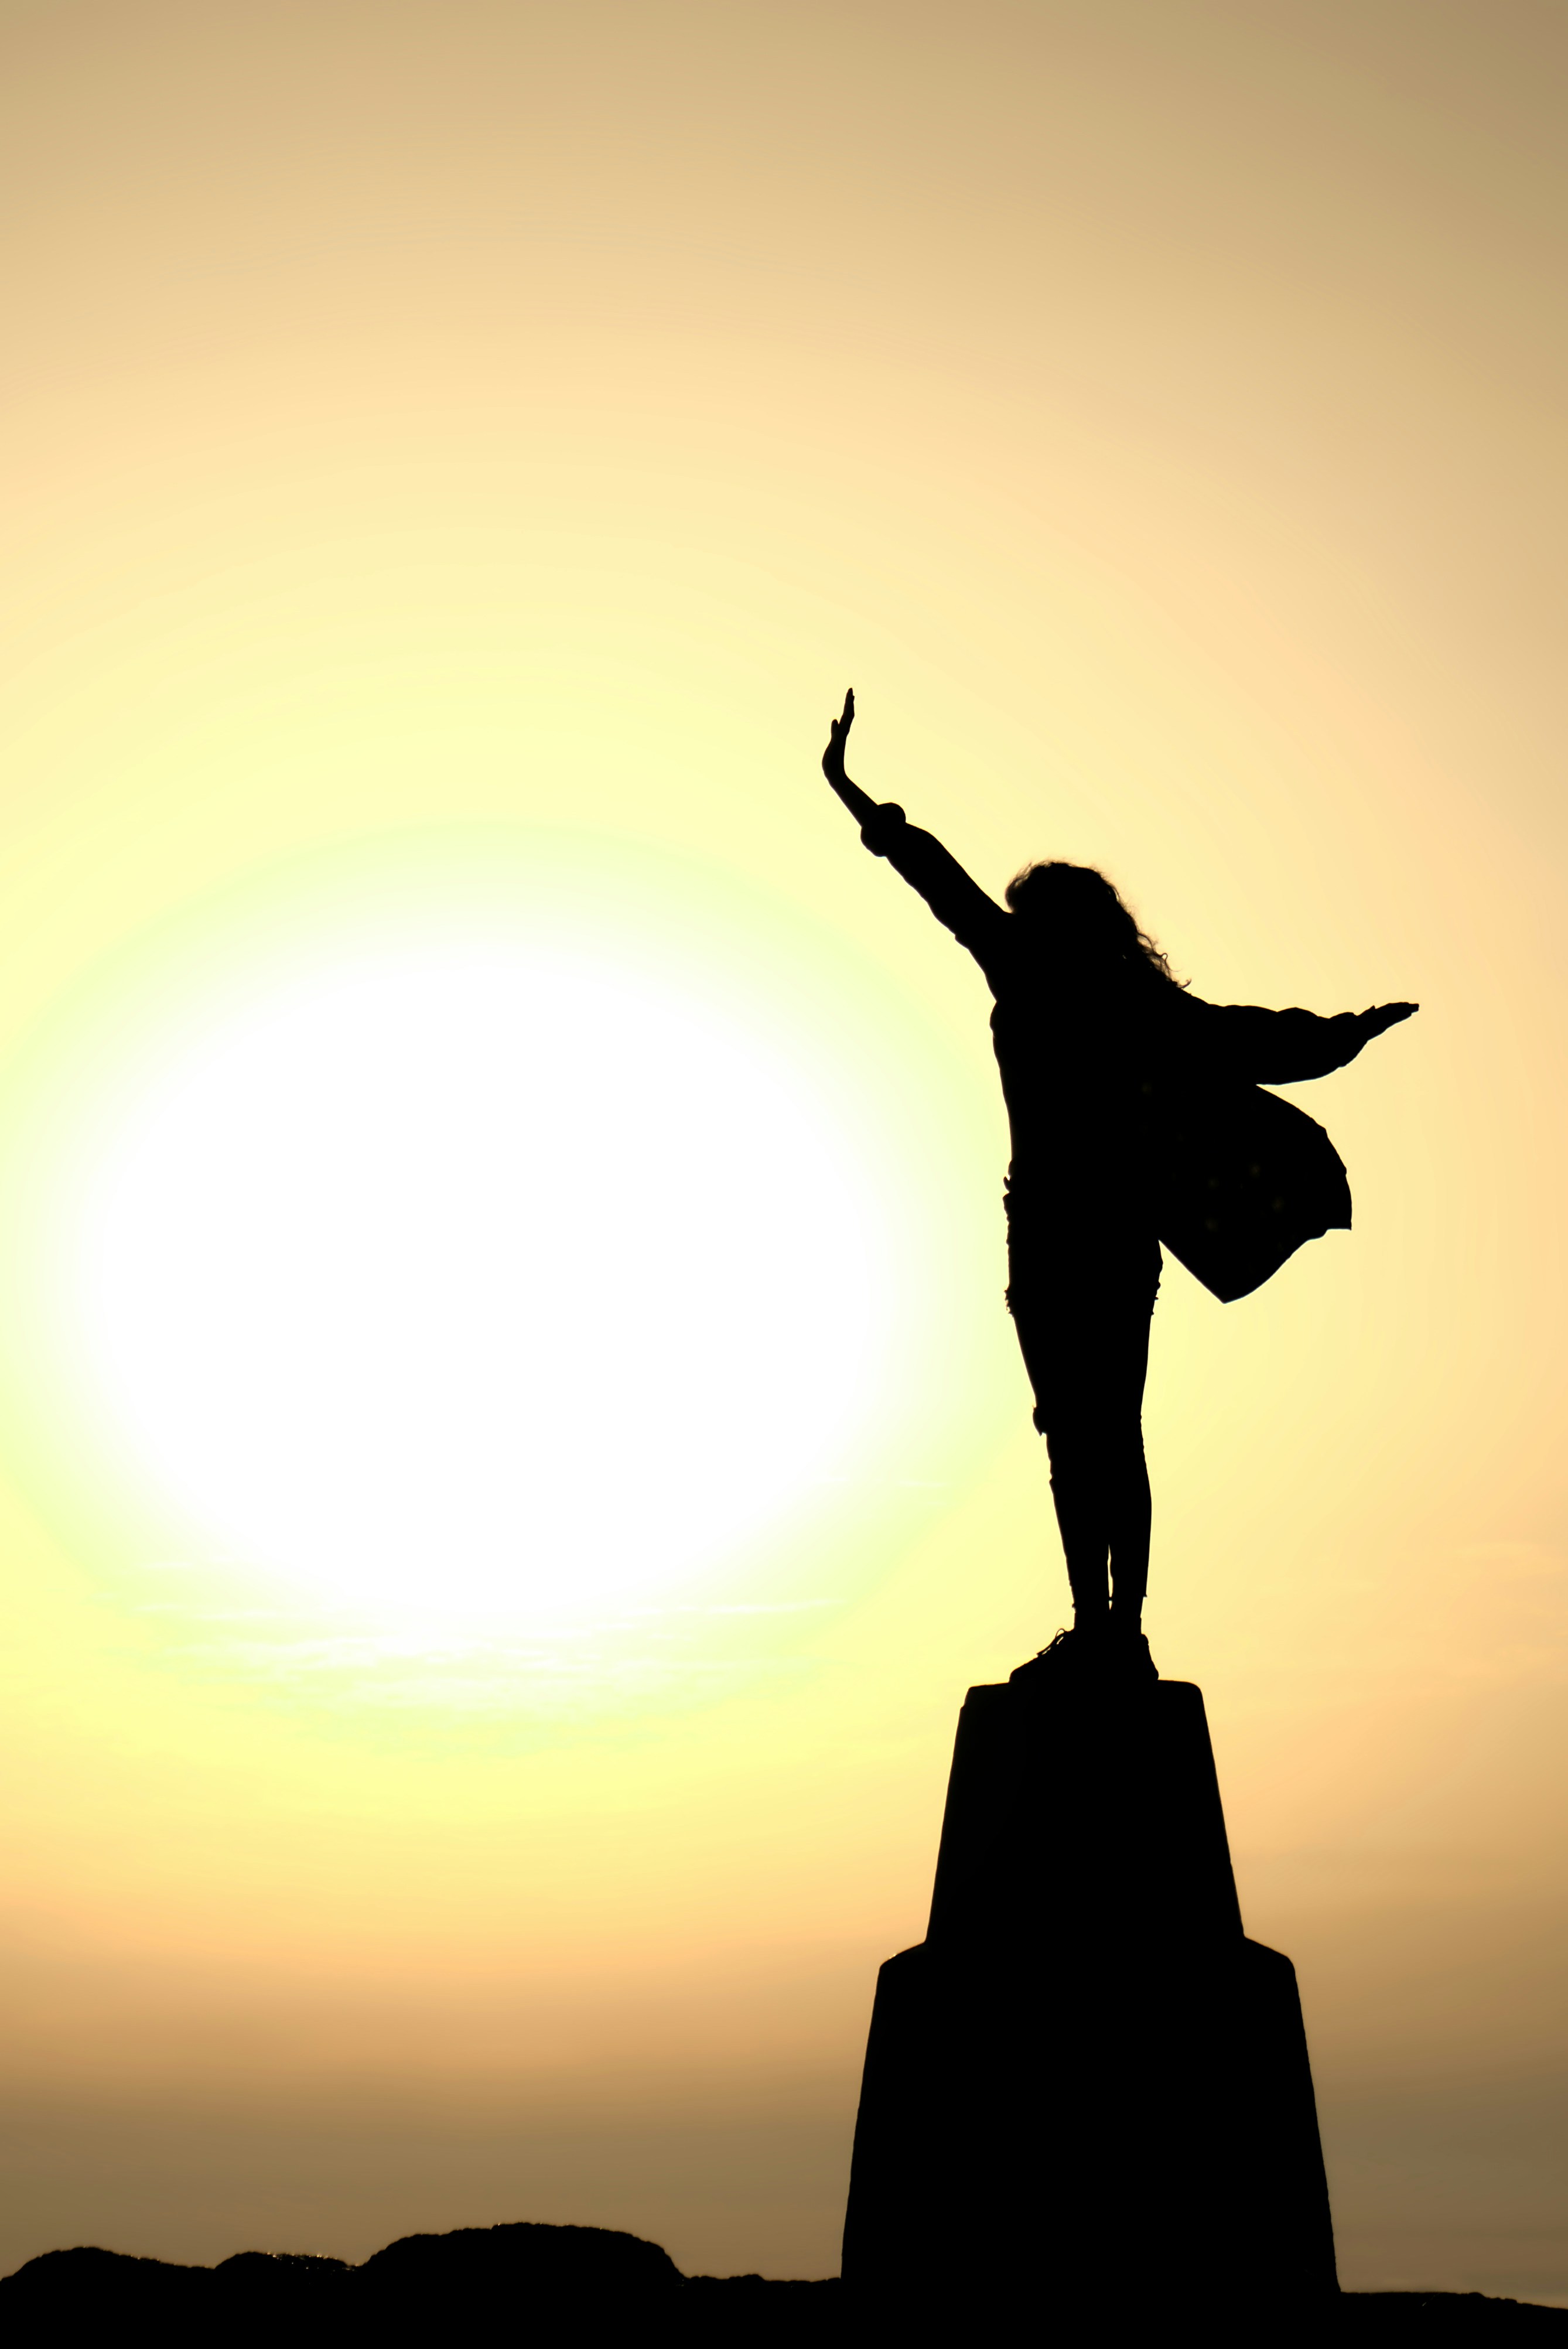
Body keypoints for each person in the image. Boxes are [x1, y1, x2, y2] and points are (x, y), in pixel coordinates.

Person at [821, 689, 1416, 1672]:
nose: (1011, 920)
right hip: (1081, 1235)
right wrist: (1346, 1033)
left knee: (1080, 1431)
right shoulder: (1123, 997)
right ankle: (1108, 1625)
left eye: (1025, 913)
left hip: (1067, 1234)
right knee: (1096, 1427)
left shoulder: (1031, 971)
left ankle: (1109, 1626)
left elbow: (1254, 1038)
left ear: (1047, 922)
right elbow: (1253, 1036)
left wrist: (853, 792)